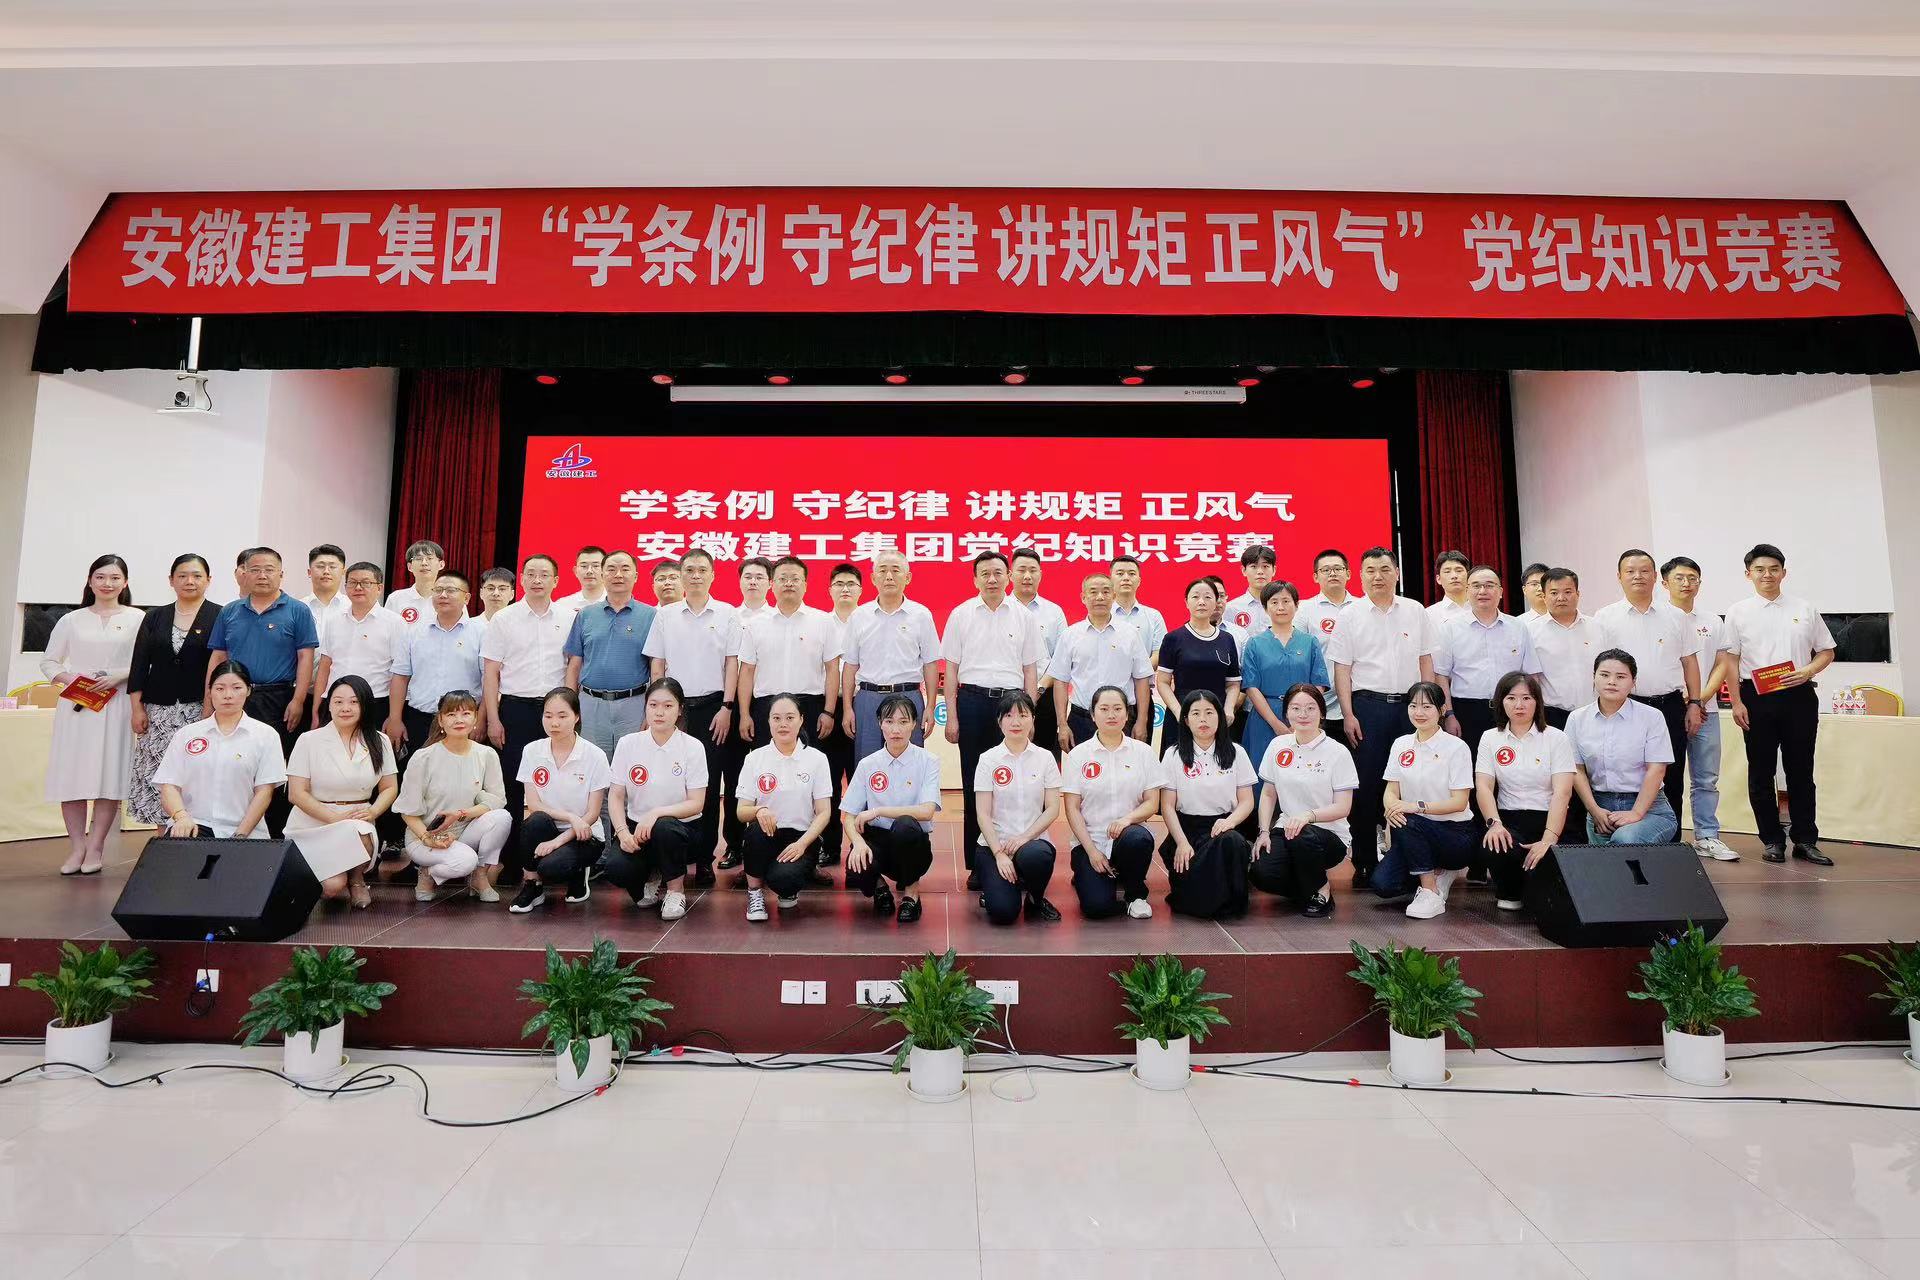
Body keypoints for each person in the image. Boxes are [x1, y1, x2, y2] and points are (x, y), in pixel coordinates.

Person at [1326, 546, 1435, 881]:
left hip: (1411, 708)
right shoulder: (1350, 615)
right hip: (1367, 708)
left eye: (1385, 569)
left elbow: (1425, 660)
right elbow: (1342, 669)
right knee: (1367, 784)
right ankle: (1364, 860)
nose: (1378, 577)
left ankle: (1411, 858)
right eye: (1371, 571)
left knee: (1413, 783)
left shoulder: (1415, 610)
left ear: (1397, 573)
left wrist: (1430, 706)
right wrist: (1348, 714)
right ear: (1360, 576)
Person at [1722, 543, 1836, 866]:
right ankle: (1772, 839)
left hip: (1799, 695)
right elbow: (1730, 660)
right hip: (1755, 697)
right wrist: (1736, 702)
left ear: (1784, 573)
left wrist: (1808, 671)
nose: (1767, 575)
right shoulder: (1738, 612)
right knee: (1761, 771)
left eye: (1774, 569)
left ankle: (1805, 840)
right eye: (1759, 569)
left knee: (1801, 770)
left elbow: (1827, 651)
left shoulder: (1805, 608)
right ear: (1749, 574)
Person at [942, 551, 1044, 887]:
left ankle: (1018, 854)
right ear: (975, 579)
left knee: (1013, 782)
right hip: (972, 701)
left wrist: (1028, 715)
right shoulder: (960, 614)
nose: (992, 579)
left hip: (1011, 703)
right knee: (975, 782)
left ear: (1008, 576)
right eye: (984, 573)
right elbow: (951, 670)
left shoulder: (1024, 616)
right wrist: (952, 717)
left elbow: (1030, 670)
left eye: (998, 572)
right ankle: (977, 863)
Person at [643, 547, 739, 888]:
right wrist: (656, 708)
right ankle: (670, 858)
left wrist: (727, 707)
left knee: (708, 788)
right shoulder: (665, 616)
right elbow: (657, 664)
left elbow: (732, 663)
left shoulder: (727, 613)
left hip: (714, 709)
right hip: (675, 709)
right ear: (681, 575)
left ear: (713, 575)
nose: (696, 575)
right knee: (671, 783)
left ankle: (704, 859)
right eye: (690, 570)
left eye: (702, 570)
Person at [42, 555, 143, 875]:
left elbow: (146, 663)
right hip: (78, 705)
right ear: (89, 581)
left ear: (125, 583)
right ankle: (77, 847)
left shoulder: (138, 619)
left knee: (108, 776)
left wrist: (118, 676)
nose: (107, 583)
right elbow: (49, 662)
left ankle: (96, 846)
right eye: (100, 577)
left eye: (114, 578)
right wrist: (74, 680)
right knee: (72, 776)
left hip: (117, 704)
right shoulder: (71, 620)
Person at [207, 547, 318, 838]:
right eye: (255, 569)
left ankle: (275, 836)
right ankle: (235, 830)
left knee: (275, 769)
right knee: (235, 764)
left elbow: (306, 658)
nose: (262, 575)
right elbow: (218, 657)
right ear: (244, 573)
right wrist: (209, 703)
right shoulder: (230, 611)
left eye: (269, 570)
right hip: (234, 698)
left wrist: (298, 699)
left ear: (281, 574)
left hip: (279, 699)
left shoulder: (297, 610)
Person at [481, 554, 576, 882]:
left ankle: (557, 859)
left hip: (556, 711)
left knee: (558, 783)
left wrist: (571, 713)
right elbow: (491, 673)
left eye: (544, 574)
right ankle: (511, 861)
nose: (537, 580)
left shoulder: (569, 617)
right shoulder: (503, 619)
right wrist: (493, 719)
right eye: (531, 574)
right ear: (521, 579)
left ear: (556, 581)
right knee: (514, 784)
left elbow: (572, 667)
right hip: (515, 710)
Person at [1593, 549, 1703, 817]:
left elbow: (1689, 662)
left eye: (1644, 571)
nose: (1637, 576)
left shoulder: (1676, 615)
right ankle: (1630, 832)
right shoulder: (1604, 617)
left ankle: (1671, 836)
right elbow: (1600, 668)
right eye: (1630, 571)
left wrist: (1695, 703)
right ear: (1619, 576)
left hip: (1670, 706)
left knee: (1672, 775)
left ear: (1655, 576)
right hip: (1625, 707)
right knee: (1629, 775)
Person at [285, 675, 398, 908]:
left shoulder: (380, 741)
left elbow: (389, 787)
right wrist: (335, 819)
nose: (345, 708)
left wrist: (374, 811)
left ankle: (357, 879)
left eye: (354, 702)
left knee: (359, 829)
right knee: (331, 887)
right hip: (312, 823)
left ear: (365, 705)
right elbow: (296, 793)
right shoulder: (308, 740)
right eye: (338, 702)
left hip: (358, 817)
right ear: (329, 705)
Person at [128, 554, 220, 830]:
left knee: (194, 774)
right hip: (158, 711)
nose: (189, 581)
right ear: (171, 580)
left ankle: (195, 836)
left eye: (197, 575)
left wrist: (211, 708)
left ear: (208, 580)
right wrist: (137, 708)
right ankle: (164, 841)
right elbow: (139, 663)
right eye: (182, 575)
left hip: (200, 710)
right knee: (160, 774)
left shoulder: (220, 615)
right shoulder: (155, 616)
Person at [603, 678, 708, 919]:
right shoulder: (628, 744)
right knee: (616, 869)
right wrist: (623, 833)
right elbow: (616, 795)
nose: (659, 712)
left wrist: (656, 813)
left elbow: (696, 803)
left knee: (664, 827)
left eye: (668, 706)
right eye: (653, 705)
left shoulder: (692, 747)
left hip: (680, 830)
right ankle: (652, 873)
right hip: (637, 829)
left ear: (680, 710)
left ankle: (675, 890)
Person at [1250, 684, 1357, 919]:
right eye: (1296, 708)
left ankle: (1321, 888)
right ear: (1286, 713)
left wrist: (1308, 816)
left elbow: (1343, 807)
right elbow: (1268, 794)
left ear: (1322, 713)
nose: (1303, 714)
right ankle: (1306, 888)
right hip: (1287, 829)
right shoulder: (1278, 745)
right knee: (1261, 872)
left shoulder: (1338, 752)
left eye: (1310, 708)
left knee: (1302, 834)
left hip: (1327, 835)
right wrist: (1264, 832)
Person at [1372, 681, 1477, 919]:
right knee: (1382, 885)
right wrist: (1391, 808)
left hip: (1454, 835)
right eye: (1413, 706)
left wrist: (1415, 807)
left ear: (1441, 710)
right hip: (1415, 831)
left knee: (1409, 818)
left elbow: (1459, 802)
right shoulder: (1401, 744)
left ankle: (1431, 891)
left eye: (1427, 706)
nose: (1419, 712)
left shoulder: (1456, 747)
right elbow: (1391, 790)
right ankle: (1432, 871)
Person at [394, 689, 509, 902]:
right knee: (465, 861)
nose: (459, 720)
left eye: (466, 714)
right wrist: (428, 838)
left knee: (502, 817)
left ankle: (479, 876)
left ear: (475, 718)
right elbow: (407, 812)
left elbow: (496, 799)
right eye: (451, 714)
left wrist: (460, 814)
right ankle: (427, 873)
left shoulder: (486, 754)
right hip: (425, 835)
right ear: (440, 719)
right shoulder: (423, 758)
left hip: (465, 831)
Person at [154, 660, 287, 841]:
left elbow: (264, 792)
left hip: (244, 831)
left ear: (248, 690)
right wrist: (182, 817)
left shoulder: (266, 735)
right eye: (220, 688)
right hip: (194, 825)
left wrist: (240, 836)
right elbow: (169, 785)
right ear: (209, 692)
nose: (228, 695)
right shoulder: (187, 734)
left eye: (236, 688)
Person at [1662, 555, 1739, 863]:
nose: (1686, 583)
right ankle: (1665, 836)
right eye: (1679, 578)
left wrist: (1700, 698)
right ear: (1665, 583)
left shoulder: (1712, 621)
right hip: (1667, 709)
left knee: (1706, 778)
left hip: (1706, 710)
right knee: (1665, 776)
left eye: (1692, 578)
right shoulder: (1658, 618)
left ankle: (1707, 836)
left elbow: (1723, 663)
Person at [1476, 671, 1575, 911]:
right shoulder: (1490, 738)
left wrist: (1549, 839)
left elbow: (1562, 792)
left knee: (1549, 896)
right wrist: (1494, 824)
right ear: (1501, 702)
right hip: (1509, 820)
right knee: (1495, 843)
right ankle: (1510, 892)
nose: (1519, 705)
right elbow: (1484, 786)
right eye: (1511, 698)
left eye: (1526, 698)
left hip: (1550, 821)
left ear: (1537, 702)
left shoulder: (1556, 738)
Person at [509, 686, 614, 914]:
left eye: (562, 716)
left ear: (576, 717)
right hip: (549, 826)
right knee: (534, 820)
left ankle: (578, 872)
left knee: (552, 867)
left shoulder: (594, 755)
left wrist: (558, 842)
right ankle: (532, 885)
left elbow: (593, 813)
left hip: (584, 835)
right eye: (548, 716)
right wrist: (569, 817)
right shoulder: (532, 751)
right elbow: (534, 805)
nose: (554, 723)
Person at [1061, 685, 1162, 920]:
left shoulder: (1143, 752)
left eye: (1117, 709)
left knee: (1138, 838)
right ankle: (1096, 875)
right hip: (1091, 841)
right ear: (1093, 714)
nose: (1111, 715)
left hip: (1128, 836)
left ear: (1127, 714)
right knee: (1096, 907)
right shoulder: (1078, 755)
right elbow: (1072, 809)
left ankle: (1135, 894)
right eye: (1104, 709)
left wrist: (1126, 820)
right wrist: (1092, 851)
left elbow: (1152, 803)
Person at [841, 694, 942, 924]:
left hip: (911, 842)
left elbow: (927, 811)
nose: (896, 729)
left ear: (914, 724)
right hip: (877, 839)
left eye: (903, 722)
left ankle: (911, 895)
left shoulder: (928, 761)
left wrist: (878, 811)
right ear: (880, 724)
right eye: (889, 721)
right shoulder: (868, 764)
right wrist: (857, 842)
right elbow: (849, 815)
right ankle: (880, 887)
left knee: (905, 825)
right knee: (855, 864)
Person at [1159, 689, 1257, 919]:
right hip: (1187, 832)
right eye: (1196, 713)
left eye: (1209, 712)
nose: (1203, 719)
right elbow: (1167, 807)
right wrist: (1181, 842)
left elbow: (1247, 801)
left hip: (1223, 829)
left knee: (1232, 841)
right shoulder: (1173, 755)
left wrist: (1229, 822)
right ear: (1186, 720)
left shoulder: (1237, 753)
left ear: (1220, 717)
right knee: (1194, 901)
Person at [1566, 650, 1679, 846]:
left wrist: (1636, 813)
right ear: (1594, 677)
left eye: (1620, 677)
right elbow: (1576, 769)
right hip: (1601, 811)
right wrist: (1594, 810)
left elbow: (1657, 769)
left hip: (1650, 810)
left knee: (1624, 840)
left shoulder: (1651, 717)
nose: (1611, 682)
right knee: (1604, 861)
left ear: (1633, 681)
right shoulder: (1577, 718)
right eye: (1604, 675)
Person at [839, 549, 941, 764]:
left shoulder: (921, 615)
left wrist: (930, 706)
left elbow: (930, 664)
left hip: (908, 697)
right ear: (873, 578)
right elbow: (850, 666)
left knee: (909, 766)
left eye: (895, 570)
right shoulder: (859, 616)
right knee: (868, 765)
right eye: (882, 570)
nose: (888, 576)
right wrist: (848, 708)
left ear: (908, 577)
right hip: (868, 698)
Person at [736, 694, 832, 922]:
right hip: (767, 833)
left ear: (801, 720)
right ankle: (755, 893)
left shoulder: (817, 759)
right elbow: (741, 812)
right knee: (755, 830)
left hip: (801, 837)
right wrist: (759, 811)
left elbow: (824, 812)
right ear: (768, 721)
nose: (783, 724)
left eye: (790, 717)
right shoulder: (755, 759)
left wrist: (802, 844)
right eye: (776, 718)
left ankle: (786, 884)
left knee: (784, 880)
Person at [972, 691, 1063, 924]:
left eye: (1023, 715)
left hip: (1032, 843)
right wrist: (999, 854)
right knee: (1003, 913)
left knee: (1037, 856)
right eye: (1009, 715)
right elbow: (982, 813)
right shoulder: (988, 759)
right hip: (994, 845)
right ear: (999, 721)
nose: (1016, 722)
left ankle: (1035, 898)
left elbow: (1053, 808)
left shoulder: (1045, 758)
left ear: (1033, 719)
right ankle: (996, 887)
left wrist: (1024, 838)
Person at [562, 551, 656, 762]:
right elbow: (574, 665)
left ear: (636, 576)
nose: (618, 575)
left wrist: (653, 707)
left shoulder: (650, 615)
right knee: (592, 768)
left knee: (633, 766)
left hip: (634, 705)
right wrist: (569, 706)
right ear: (602, 574)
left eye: (625, 569)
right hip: (590, 705)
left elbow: (655, 667)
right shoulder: (585, 615)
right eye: (611, 569)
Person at [1049, 571, 1153, 748]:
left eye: (1105, 592)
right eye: (1093, 592)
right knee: (1084, 766)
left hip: (1122, 719)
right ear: (1083, 597)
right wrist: (1062, 725)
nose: (1099, 597)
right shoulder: (1070, 635)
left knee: (1125, 765)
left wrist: (1142, 721)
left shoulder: (1130, 634)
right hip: (1082, 719)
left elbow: (1141, 679)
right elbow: (1060, 681)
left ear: (1114, 596)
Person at [388, 570, 488, 754]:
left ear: (466, 598)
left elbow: (488, 681)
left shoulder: (482, 632)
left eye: (450, 590)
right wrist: (395, 718)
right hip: (420, 719)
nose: (443, 595)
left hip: (464, 722)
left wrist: (481, 720)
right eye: (438, 590)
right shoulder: (414, 632)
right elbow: (400, 677)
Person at [717, 555, 774, 871]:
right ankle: (734, 844)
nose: (753, 581)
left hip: (766, 705)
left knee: (770, 773)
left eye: (759, 577)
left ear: (770, 583)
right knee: (734, 775)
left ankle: (770, 839)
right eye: (747, 576)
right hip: (730, 705)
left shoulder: (776, 617)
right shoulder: (728, 616)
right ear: (739, 581)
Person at [1240, 580, 1330, 773]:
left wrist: (1302, 714)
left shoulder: (1310, 642)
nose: (1280, 607)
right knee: (1263, 772)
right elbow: (1251, 687)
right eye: (1274, 602)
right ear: (1265, 608)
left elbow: (1319, 683)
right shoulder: (1255, 643)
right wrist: (1276, 724)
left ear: (1296, 605)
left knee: (1304, 771)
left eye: (1286, 601)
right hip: (1265, 717)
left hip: (1304, 716)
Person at [313, 562, 410, 730]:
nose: (358, 587)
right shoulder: (334, 620)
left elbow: (400, 674)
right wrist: (316, 708)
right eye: (352, 582)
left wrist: (395, 717)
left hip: (375, 701)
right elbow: (325, 665)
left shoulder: (395, 622)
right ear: (345, 587)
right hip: (334, 700)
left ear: (379, 588)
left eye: (365, 583)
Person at [1155, 578, 1242, 757]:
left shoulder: (1227, 639)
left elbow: (1233, 683)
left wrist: (1228, 709)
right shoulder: (1173, 638)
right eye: (1195, 597)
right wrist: (1179, 712)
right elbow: (1162, 682)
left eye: (1208, 597)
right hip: (1182, 717)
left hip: (1216, 717)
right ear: (1186, 602)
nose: (1201, 602)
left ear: (1216, 602)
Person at [818, 562, 865, 868]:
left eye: (851, 584)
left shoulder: (869, 620)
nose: (845, 589)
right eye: (839, 584)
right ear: (830, 590)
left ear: (861, 590)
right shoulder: (820, 623)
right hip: (828, 708)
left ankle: (861, 846)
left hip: (863, 706)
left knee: (862, 779)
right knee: (829, 781)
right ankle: (830, 846)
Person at [1009, 547, 1071, 763]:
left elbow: (1062, 658)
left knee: (1045, 760)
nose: (1027, 576)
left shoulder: (1054, 612)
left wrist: (1039, 687)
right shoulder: (999, 609)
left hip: (1045, 695)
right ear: (1010, 575)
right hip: (1007, 693)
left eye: (1033, 570)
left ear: (1041, 574)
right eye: (1021, 570)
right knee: (1007, 759)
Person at [1523, 568, 1601, 732]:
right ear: (1544, 596)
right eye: (1554, 593)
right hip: (1552, 715)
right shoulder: (1530, 632)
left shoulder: (1597, 627)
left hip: (1594, 712)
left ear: (1578, 594)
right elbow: (1531, 679)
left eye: (1568, 592)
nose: (1561, 598)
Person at [1296, 549, 1358, 735]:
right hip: (1320, 702)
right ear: (1315, 577)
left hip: (1359, 701)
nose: (1332, 573)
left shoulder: (1362, 607)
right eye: (1326, 570)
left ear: (1348, 574)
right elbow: (1299, 656)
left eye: (1338, 569)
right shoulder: (1304, 610)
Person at [1108, 554, 1167, 741]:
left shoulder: (1153, 616)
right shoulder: (1102, 615)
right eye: (1120, 573)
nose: (1126, 578)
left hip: (1141, 697)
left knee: (1139, 751)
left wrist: (1137, 673)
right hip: (1106, 697)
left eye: (1131, 574)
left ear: (1139, 580)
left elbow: (1159, 653)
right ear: (1110, 578)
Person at [384, 539, 445, 626]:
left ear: (441, 564)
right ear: (410, 567)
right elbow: (387, 630)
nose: (424, 563)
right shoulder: (396, 598)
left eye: (430, 558)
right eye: (418, 559)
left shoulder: (451, 599)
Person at [1223, 544, 1277, 640]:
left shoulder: (1285, 607)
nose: (1260, 571)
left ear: (1274, 570)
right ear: (1244, 570)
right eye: (1254, 566)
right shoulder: (1230, 609)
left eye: (1265, 566)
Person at [302, 544, 350, 634]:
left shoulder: (352, 607)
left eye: (332, 567)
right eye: (320, 566)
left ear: (343, 572)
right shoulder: (298, 608)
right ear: (309, 572)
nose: (326, 571)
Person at [1426, 550, 1472, 627]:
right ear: (1438, 579)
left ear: (1469, 576)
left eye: (1459, 571)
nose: (1454, 576)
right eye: (1447, 572)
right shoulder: (1429, 614)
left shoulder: (1481, 608)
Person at [555, 545, 606, 612]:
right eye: (584, 566)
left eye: (596, 566)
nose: (589, 571)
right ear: (575, 571)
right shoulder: (562, 605)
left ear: (606, 570)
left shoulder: (617, 603)